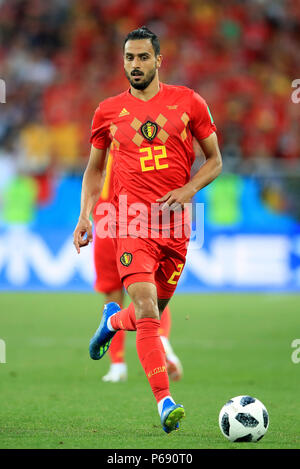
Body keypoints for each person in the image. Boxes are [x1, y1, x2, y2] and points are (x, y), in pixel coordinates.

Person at [73, 26, 222, 433]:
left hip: (175, 229)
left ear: (159, 60)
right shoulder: (106, 112)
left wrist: (189, 188)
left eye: (142, 57)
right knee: (147, 311)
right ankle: (164, 402)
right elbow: (94, 169)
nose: (135, 65)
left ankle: (111, 323)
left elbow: (215, 161)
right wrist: (85, 215)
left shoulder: (189, 102)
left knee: (143, 318)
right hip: (129, 223)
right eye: (129, 58)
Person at [92, 154, 183, 383]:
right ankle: (161, 340)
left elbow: (94, 174)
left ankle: (118, 365)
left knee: (114, 293)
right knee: (149, 286)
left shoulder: (111, 135)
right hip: (139, 214)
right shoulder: (140, 139)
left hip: (109, 214)